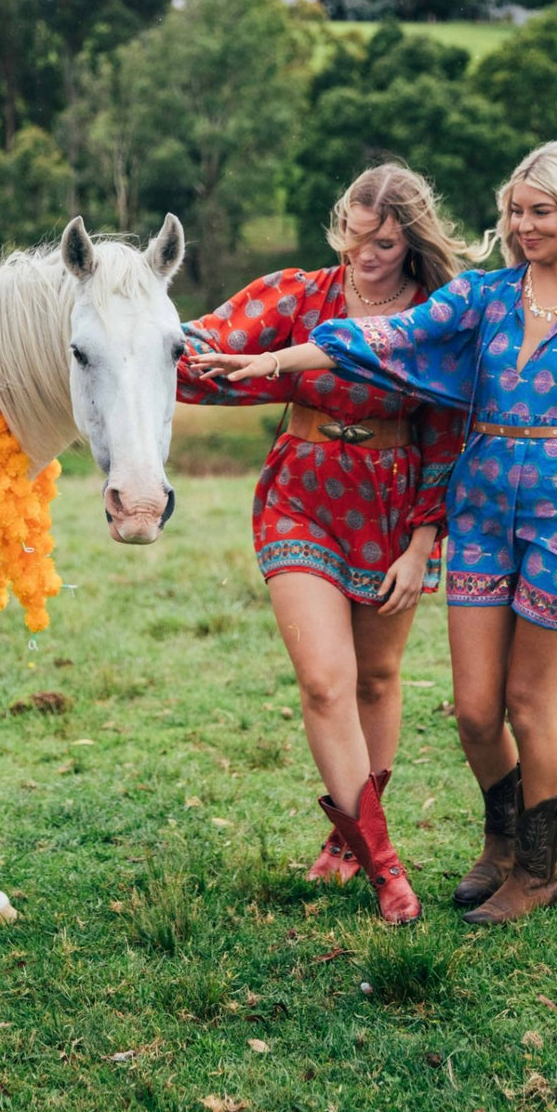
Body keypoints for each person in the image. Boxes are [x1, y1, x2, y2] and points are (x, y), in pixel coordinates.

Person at [188, 141, 557, 926]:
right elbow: (390, 340)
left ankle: (538, 870)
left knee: (528, 701)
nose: (523, 226)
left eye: (540, 212)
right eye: (515, 211)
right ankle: (501, 839)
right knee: (476, 710)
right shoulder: (486, 297)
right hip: (482, 516)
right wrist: (282, 359)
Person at [177, 160, 472, 924]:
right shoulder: (301, 293)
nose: (363, 254)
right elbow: (211, 340)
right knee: (324, 680)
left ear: (410, 242)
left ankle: (347, 841)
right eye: (355, 235)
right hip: (302, 493)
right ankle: (384, 863)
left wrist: (422, 544)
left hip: (392, 503)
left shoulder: (433, 316)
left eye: (382, 242)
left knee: (375, 678)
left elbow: (446, 433)